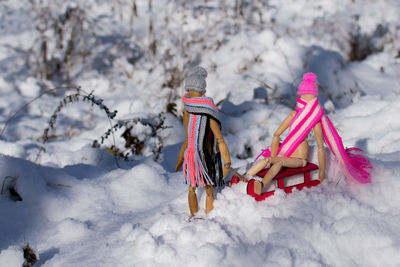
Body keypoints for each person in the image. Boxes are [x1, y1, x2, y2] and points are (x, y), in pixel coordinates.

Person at [247, 72, 372, 195]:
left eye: (310, 95)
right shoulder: (293, 115)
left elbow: (320, 147)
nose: (306, 98)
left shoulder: (315, 120)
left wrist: (322, 170)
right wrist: (273, 157)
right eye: (304, 95)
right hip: (287, 153)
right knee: (268, 159)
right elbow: (276, 135)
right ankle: (246, 176)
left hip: (300, 159)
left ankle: (262, 185)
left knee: (279, 162)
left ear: (314, 97)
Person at [175, 66, 231, 215]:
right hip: (200, 155)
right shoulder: (208, 110)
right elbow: (219, 139)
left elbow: (190, 138)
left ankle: (200, 215)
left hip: (193, 155)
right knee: (207, 189)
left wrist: (182, 157)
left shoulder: (188, 110)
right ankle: (201, 215)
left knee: (194, 188)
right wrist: (226, 159)